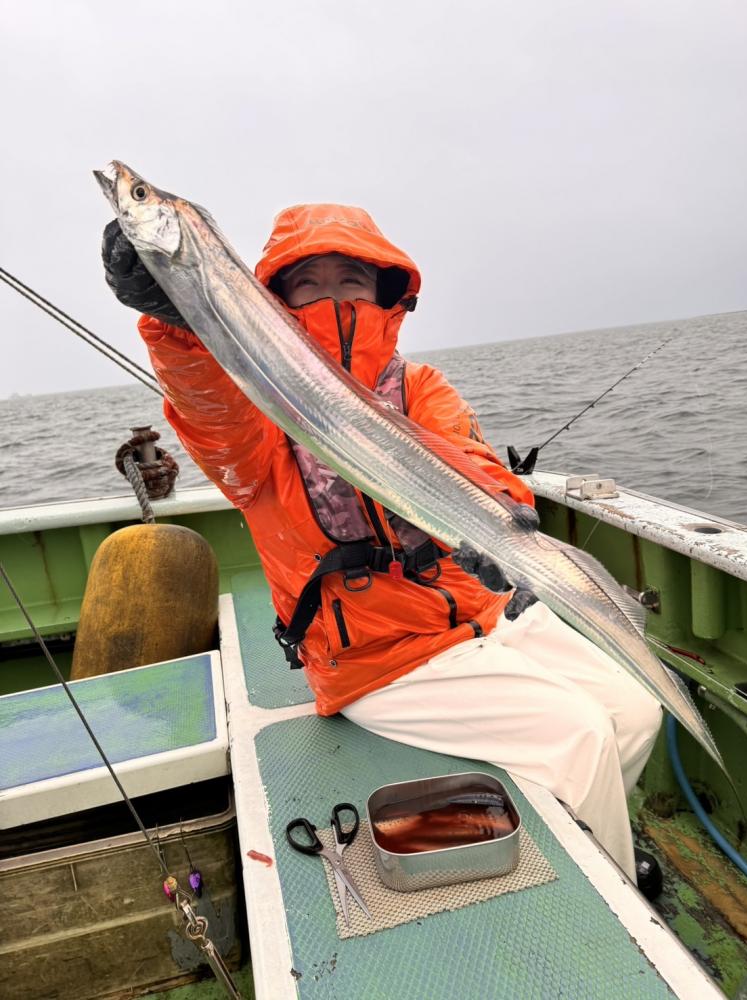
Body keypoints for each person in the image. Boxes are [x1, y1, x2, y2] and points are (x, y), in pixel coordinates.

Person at [101, 204, 662, 886]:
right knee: (581, 736)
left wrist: (501, 514)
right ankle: (614, 885)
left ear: (383, 293)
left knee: (638, 710)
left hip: (478, 617)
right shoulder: (257, 409)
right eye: (308, 282)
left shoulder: (418, 386)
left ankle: (592, 836)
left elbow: (472, 460)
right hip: (376, 658)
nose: (333, 296)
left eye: (352, 279)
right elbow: (210, 413)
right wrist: (179, 324)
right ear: (276, 301)